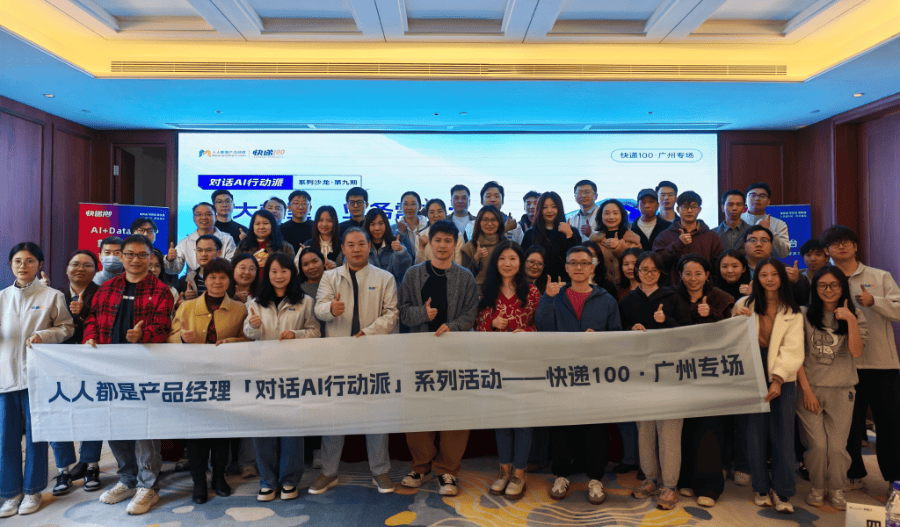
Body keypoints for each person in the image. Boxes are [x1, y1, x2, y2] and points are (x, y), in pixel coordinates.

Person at [83, 234, 174, 515]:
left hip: (143, 371)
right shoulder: (107, 288)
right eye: (130, 254)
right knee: (115, 425)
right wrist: (90, 336)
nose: (136, 260)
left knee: (144, 429)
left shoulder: (161, 291)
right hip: (110, 371)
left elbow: (163, 329)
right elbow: (92, 318)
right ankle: (127, 478)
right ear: (121, 257)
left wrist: (142, 335)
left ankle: (149, 485)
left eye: (142, 255)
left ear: (151, 258)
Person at [310, 228, 399, 496]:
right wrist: (330, 309)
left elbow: (392, 314)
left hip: (373, 352)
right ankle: (328, 471)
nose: (357, 249)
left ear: (369, 246)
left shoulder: (385, 277)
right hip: (338, 355)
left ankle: (380, 470)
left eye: (361, 243)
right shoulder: (330, 277)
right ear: (343, 249)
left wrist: (368, 332)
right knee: (335, 413)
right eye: (351, 245)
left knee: (376, 412)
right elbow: (319, 309)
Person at [398, 220, 479, 496]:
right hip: (420, 354)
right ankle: (420, 466)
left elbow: (471, 314)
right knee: (419, 410)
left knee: (455, 412)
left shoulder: (465, 277)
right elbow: (402, 312)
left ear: (455, 244)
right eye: (437, 240)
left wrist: (452, 326)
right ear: (429, 243)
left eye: (448, 240)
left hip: (455, 354)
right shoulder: (413, 274)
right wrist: (423, 313)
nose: (442, 245)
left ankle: (448, 470)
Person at [536, 246, 621, 505]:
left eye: (584, 263)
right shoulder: (556, 296)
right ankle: (561, 475)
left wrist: (600, 338)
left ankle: (595, 477)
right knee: (562, 425)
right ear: (566, 267)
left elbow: (617, 336)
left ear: (592, 267)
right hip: (562, 372)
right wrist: (547, 299)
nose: (579, 268)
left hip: (594, 373)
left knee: (594, 426)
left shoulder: (606, 299)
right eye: (573, 263)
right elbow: (543, 328)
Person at [821, 225, 900, 490]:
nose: (841, 247)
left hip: (881, 363)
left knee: (890, 423)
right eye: (835, 243)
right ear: (827, 251)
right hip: (843, 365)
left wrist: (874, 301)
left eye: (846, 242)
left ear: (855, 246)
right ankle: (853, 472)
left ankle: (895, 478)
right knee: (848, 425)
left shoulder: (880, 276)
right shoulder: (825, 279)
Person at [0, 242, 74, 518]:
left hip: (37, 376)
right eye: (18, 261)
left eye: (30, 261)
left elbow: (66, 327)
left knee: (36, 436)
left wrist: (45, 335)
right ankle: (10, 493)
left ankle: (33, 491)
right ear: (11, 264)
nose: (23, 265)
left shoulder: (52, 296)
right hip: (6, 376)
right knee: (5, 438)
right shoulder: (2, 297)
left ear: (39, 265)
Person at [169, 258, 249, 504]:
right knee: (196, 433)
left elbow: (248, 340)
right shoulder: (187, 307)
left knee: (222, 432)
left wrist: (230, 342)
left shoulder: (239, 309)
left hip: (225, 378)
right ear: (205, 279)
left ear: (229, 280)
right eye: (212, 277)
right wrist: (182, 338)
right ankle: (198, 481)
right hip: (193, 379)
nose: (217, 282)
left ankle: (219, 477)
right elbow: (170, 338)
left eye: (223, 277)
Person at [243, 253, 320, 501]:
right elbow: (248, 333)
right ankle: (267, 480)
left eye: (284, 271)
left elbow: (315, 331)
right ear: (268, 274)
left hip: (292, 372)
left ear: (292, 273)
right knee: (263, 426)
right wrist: (253, 326)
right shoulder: (256, 301)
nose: (279, 276)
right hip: (263, 371)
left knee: (291, 427)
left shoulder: (305, 301)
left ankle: (289, 480)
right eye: (274, 271)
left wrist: (296, 334)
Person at [619, 252, 691, 510]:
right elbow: (617, 335)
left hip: (670, 373)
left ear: (661, 273)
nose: (648, 274)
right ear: (636, 271)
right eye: (644, 269)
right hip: (640, 373)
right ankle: (649, 479)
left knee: (669, 430)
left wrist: (666, 321)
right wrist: (630, 331)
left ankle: (669, 486)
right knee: (645, 429)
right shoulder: (628, 301)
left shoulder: (673, 297)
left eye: (654, 270)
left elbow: (688, 334)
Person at [732, 258, 804, 514]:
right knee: (754, 431)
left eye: (775, 274)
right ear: (757, 278)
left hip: (783, 371)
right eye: (764, 275)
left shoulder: (792, 310)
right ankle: (760, 487)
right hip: (752, 368)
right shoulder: (744, 304)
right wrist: (737, 320)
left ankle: (783, 490)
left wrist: (778, 378)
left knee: (783, 433)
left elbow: (793, 349)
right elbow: (732, 340)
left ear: (782, 278)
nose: (770, 279)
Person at [796, 266, 867, 511]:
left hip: (843, 389)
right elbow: (797, 356)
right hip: (810, 389)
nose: (828, 290)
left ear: (842, 287)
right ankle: (817, 486)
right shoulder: (803, 314)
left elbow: (856, 352)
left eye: (834, 285)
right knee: (817, 446)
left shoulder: (856, 315)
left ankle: (836, 488)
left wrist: (851, 320)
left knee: (837, 447)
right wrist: (806, 391)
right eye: (822, 285)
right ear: (815, 288)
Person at [475, 241, 539, 500]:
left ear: (520, 262)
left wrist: (526, 331)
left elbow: (542, 325)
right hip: (496, 364)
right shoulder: (487, 291)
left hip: (524, 363)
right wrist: (492, 323)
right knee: (501, 418)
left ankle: (519, 474)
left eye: (513, 258)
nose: (507, 263)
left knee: (522, 420)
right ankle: (503, 471)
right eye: (502, 258)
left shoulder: (532, 291)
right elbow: (477, 328)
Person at [675, 254, 736, 508]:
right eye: (688, 273)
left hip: (712, 374)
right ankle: (686, 480)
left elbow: (733, 333)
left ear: (708, 275)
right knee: (685, 428)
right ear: (680, 275)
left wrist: (712, 315)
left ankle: (709, 486)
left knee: (709, 429)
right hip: (680, 373)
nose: (693, 279)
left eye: (698, 273)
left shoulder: (721, 298)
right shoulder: (672, 297)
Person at [50, 250, 103, 496]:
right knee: (56, 413)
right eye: (75, 264)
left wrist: (83, 313)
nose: (80, 269)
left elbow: (104, 326)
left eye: (87, 265)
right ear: (67, 268)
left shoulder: (103, 294)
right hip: (57, 365)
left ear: (95, 270)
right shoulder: (53, 295)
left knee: (92, 413)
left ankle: (92, 465)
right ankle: (63, 469)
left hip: (92, 364)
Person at [652, 191, 724, 283]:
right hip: (674, 289)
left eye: (693, 207)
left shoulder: (711, 237)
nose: (689, 210)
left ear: (699, 210)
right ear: (678, 209)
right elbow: (657, 263)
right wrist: (678, 244)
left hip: (703, 288)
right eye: (685, 207)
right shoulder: (665, 235)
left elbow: (718, 266)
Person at [522, 192, 581, 283]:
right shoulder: (530, 234)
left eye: (554, 207)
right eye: (545, 207)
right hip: (537, 285)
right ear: (539, 210)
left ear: (559, 208)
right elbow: (523, 261)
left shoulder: (571, 231)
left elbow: (579, 260)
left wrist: (570, 236)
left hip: (565, 285)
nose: (549, 211)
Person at [165, 202, 236, 276]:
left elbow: (231, 266)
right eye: (199, 214)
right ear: (194, 218)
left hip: (219, 280)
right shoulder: (185, 242)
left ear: (215, 217)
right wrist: (170, 260)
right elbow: (173, 270)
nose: (204, 217)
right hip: (193, 282)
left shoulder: (227, 240)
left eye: (208, 214)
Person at [588, 199, 641, 283]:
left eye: (615, 213)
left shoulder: (633, 239)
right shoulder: (594, 240)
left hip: (627, 286)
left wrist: (619, 247)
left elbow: (637, 265)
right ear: (601, 216)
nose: (611, 217)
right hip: (600, 286)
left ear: (622, 215)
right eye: (606, 213)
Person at [360, 207, 412, 286]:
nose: (377, 228)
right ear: (367, 226)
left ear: (386, 224)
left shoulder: (395, 244)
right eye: (372, 224)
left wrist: (400, 253)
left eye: (381, 223)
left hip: (391, 290)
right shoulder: (361, 246)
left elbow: (402, 275)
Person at [460, 205, 505, 294]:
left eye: (493, 220)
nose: (489, 224)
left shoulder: (506, 245)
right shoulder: (470, 246)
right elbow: (463, 278)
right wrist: (475, 260)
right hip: (476, 294)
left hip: (502, 293)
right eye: (485, 220)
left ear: (499, 222)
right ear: (478, 222)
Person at [237, 209, 294, 276]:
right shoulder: (243, 245)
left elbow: (291, 271)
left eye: (266, 223)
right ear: (252, 226)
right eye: (257, 224)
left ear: (272, 225)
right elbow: (235, 267)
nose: (261, 227)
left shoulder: (285, 246)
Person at [741, 183, 790, 258]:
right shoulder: (737, 220)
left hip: (766, 264)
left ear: (768, 201)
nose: (757, 198)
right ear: (745, 200)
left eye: (762, 196)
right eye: (753, 195)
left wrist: (769, 230)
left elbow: (784, 253)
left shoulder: (779, 224)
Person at [415, 198, 464, 265]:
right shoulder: (420, 237)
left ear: (445, 213)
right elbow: (418, 266)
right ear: (427, 215)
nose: (436, 215)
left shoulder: (457, 235)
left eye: (439, 211)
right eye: (432, 212)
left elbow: (458, 264)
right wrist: (421, 248)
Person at [177, 234, 222, 300]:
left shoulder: (227, 279)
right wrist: (185, 300)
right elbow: (177, 304)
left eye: (208, 250)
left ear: (219, 253)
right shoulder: (185, 281)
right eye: (200, 250)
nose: (203, 254)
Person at [394, 191, 428, 257]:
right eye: (406, 204)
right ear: (401, 206)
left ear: (419, 206)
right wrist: (400, 233)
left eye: (413, 204)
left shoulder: (427, 226)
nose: (409, 208)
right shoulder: (394, 228)